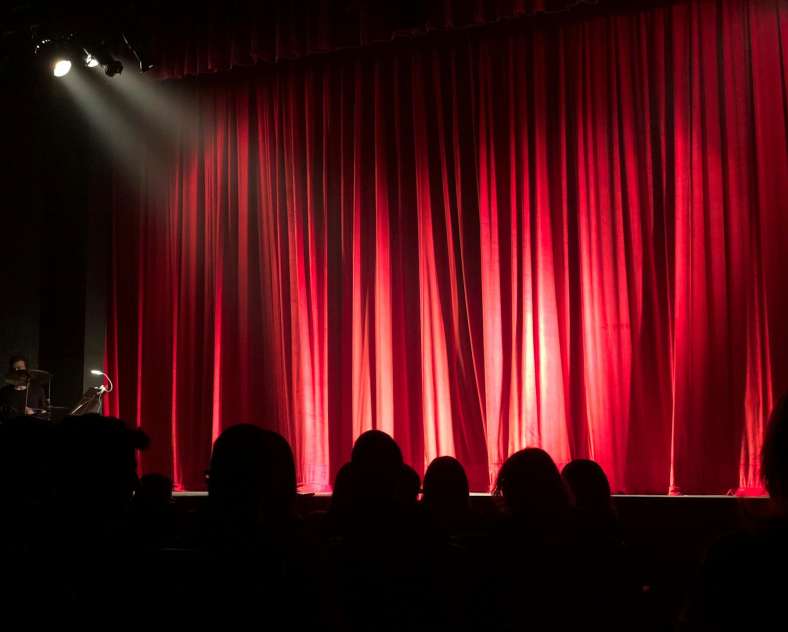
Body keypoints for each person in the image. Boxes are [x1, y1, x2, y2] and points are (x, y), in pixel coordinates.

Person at [0, 355, 46, 419]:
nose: (16, 371)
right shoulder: (4, 391)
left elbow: (44, 412)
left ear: (26, 369)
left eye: (19, 368)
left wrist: (33, 412)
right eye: (14, 369)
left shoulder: (38, 389)